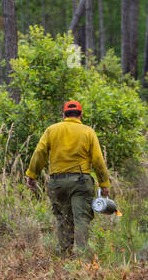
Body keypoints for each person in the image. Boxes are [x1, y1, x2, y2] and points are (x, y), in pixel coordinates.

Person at [24, 100, 111, 256]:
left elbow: (40, 153)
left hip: (57, 183)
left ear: (64, 114)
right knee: (81, 219)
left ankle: (65, 255)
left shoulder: (52, 130)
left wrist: (32, 175)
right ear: (80, 115)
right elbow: (98, 160)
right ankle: (83, 255)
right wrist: (104, 184)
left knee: (63, 219)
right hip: (81, 183)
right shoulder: (88, 132)